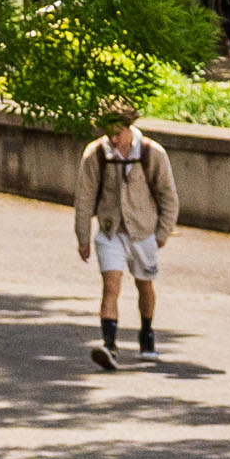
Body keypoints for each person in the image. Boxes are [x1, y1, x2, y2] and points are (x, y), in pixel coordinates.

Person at [72, 103, 179, 369]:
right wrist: (83, 236)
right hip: (111, 231)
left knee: (144, 284)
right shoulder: (96, 154)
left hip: (143, 231)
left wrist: (162, 233)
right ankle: (109, 345)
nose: (114, 138)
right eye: (109, 132)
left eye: (118, 132)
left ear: (129, 128)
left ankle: (147, 332)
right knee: (111, 286)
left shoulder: (151, 153)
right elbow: (84, 198)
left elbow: (169, 196)